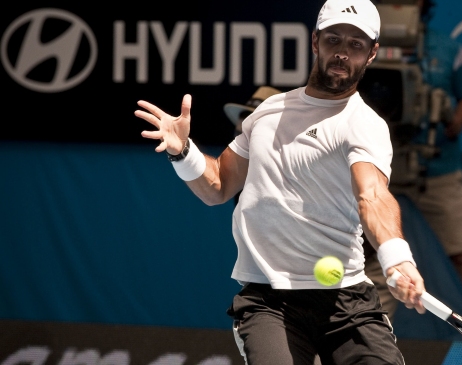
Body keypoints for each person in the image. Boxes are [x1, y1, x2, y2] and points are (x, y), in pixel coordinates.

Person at [134, 0, 429, 363]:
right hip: (269, 302)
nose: (343, 53)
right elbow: (219, 186)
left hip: (347, 298)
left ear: (372, 54)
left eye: (356, 45)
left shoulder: (364, 124)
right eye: (334, 40)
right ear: (315, 41)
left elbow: (372, 196)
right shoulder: (266, 113)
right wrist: (184, 152)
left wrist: (396, 257)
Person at [364, 0, 462, 330]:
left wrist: (454, 123)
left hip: (435, 168)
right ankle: (363, 331)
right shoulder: (361, 46)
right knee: (367, 256)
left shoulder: (448, 48)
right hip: (376, 168)